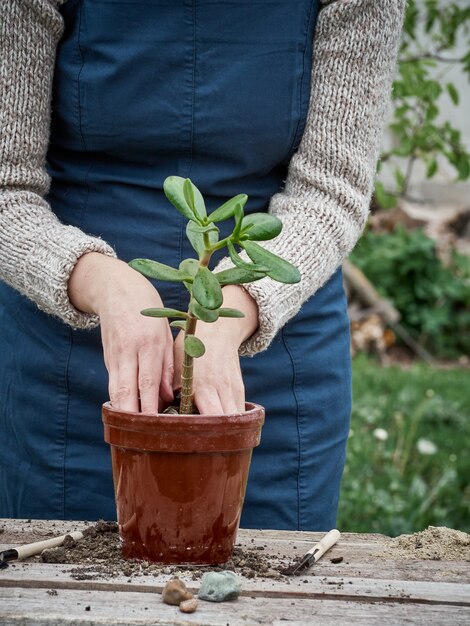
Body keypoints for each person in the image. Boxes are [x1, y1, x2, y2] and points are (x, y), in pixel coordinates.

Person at [0, 0, 405, 529]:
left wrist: (229, 314)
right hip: (67, 358)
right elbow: (7, 186)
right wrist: (103, 283)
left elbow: (332, 192)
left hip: (271, 347)